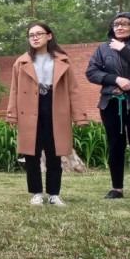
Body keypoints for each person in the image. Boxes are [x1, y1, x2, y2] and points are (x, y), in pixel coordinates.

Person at [8, 23, 88, 206]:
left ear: (49, 36)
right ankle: (36, 193)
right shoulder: (21, 61)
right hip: (29, 107)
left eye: (39, 34)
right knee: (31, 153)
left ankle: (54, 194)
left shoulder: (62, 60)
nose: (35, 38)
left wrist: (79, 116)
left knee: (55, 152)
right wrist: (11, 114)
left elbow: (73, 90)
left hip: (55, 106)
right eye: (31, 35)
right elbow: (14, 90)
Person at [85, 12, 130, 199]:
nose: (120, 28)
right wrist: (116, 79)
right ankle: (117, 189)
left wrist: (124, 50)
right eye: (116, 25)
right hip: (110, 103)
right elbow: (91, 72)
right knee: (115, 145)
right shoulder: (103, 48)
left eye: (125, 24)